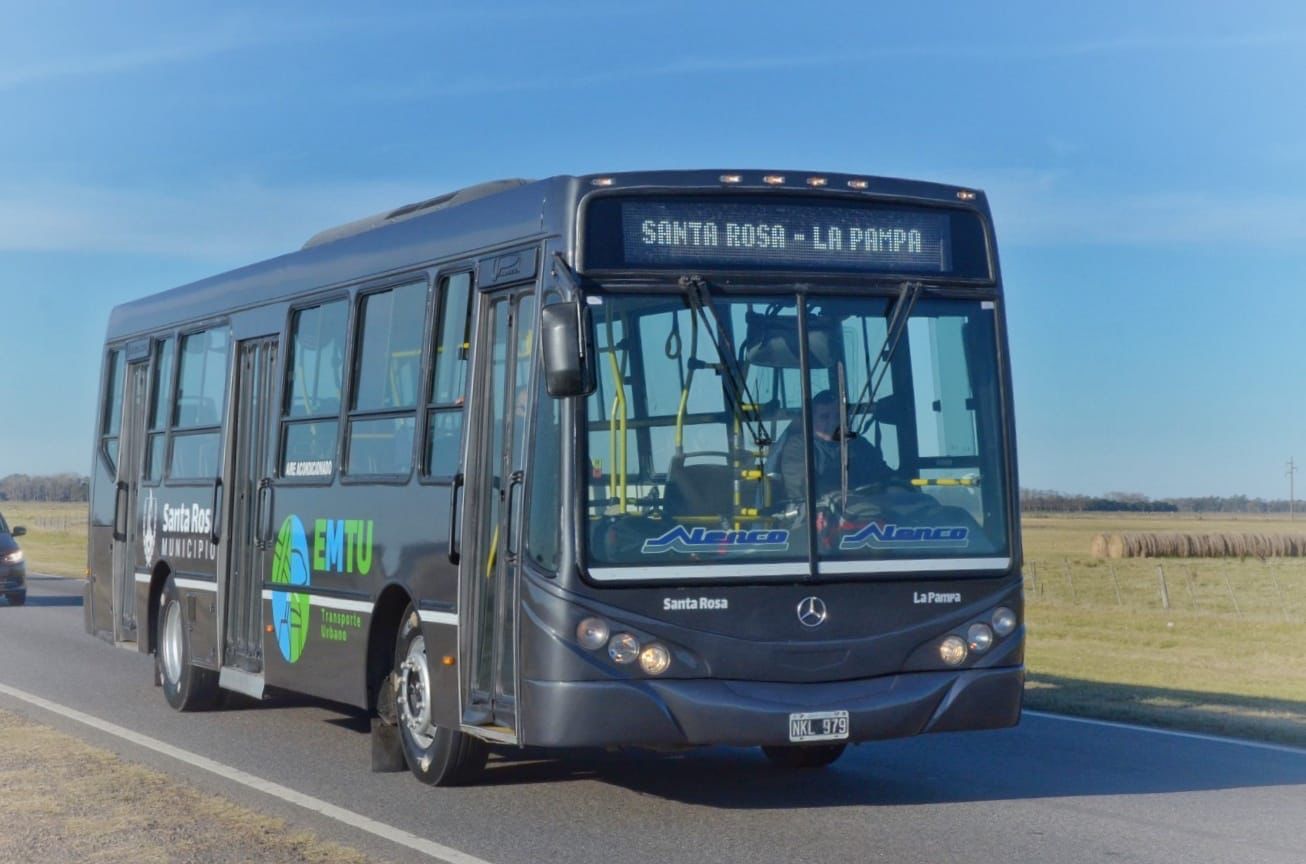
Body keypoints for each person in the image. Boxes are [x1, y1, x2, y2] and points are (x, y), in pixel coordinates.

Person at [770, 389, 891, 505]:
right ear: (810, 420)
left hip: (865, 510)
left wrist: (895, 485)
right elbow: (804, 487)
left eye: (838, 416)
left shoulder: (858, 444)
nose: (833, 422)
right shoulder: (798, 447)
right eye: (824, 417)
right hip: (811, 516)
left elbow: (883, 474)